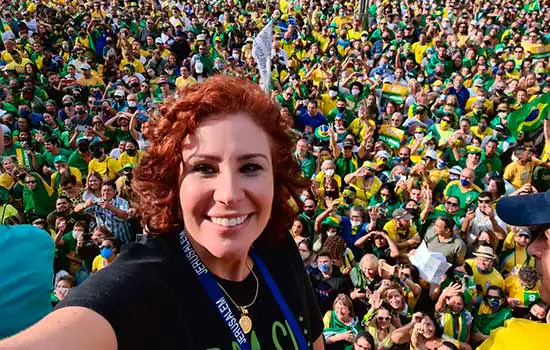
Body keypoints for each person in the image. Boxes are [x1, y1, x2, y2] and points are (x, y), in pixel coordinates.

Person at [0, 76, 324, 349]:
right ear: (174, 183)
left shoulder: (278, 249)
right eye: (204, 168)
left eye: (251, 167)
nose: (229, 194)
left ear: (275, 177)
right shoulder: (143, 283)